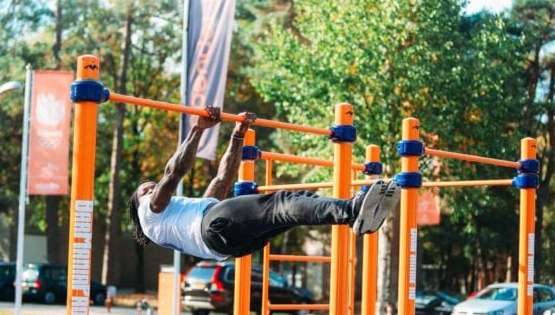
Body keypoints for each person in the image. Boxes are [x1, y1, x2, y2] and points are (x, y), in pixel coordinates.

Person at [128, 106, 400, 260]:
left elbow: (222, 179)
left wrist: (238, 135)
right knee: (283, 203)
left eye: (150, 185)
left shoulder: (182, 213)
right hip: (212, 229)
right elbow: (173, 173)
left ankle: (354, 216)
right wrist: (198, 129)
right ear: (139, 204)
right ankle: (352, 210)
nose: (151, 187)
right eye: (145, 189)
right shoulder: (149, 215)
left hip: (225, 245)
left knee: (291, 210)